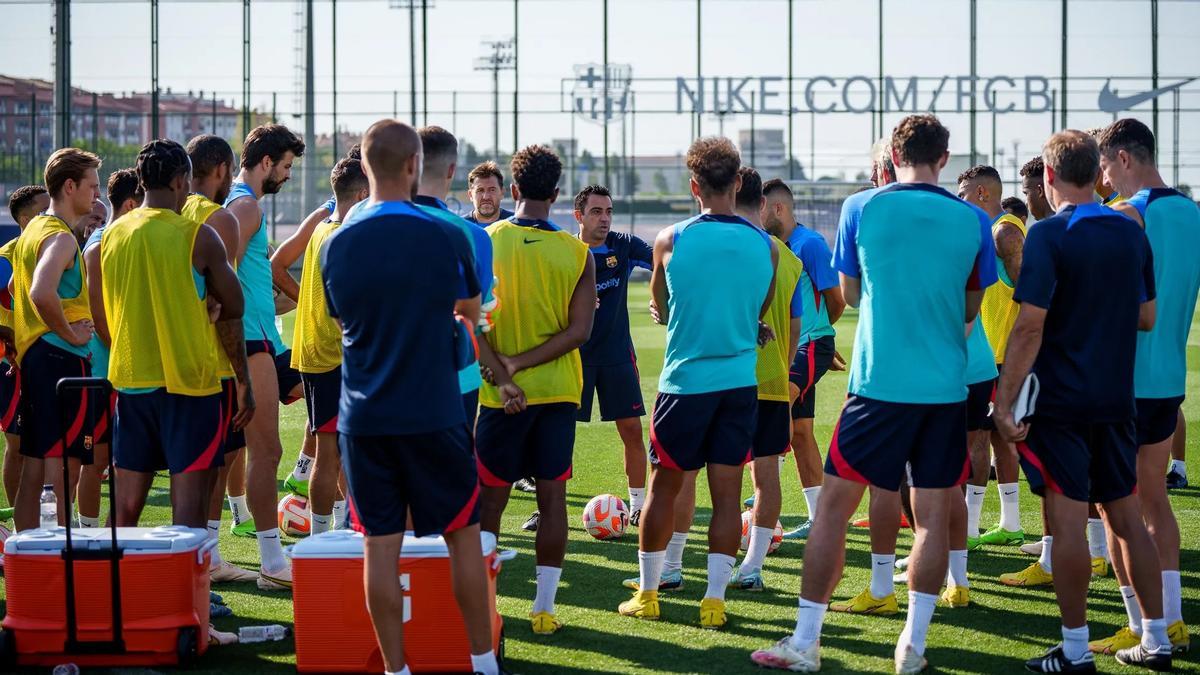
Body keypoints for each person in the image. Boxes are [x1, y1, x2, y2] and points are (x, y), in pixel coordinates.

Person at [751, 114, 996, 674]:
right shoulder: (972, 219)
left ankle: (806, 641)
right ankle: (912, 645)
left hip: (878, 387)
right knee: (935, 513)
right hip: (943, 388)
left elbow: (852, 294)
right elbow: (968, 309)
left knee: (834, 511)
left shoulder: (861, 207)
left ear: (892, 152)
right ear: (945, 154)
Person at [322, 118, 501, 675]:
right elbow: (472, 313)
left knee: (381, 546)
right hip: (434, 409)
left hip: (365, 415)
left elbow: (340, 317)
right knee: (462, 537)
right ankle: (483, 665)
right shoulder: (448, 234)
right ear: (412, 167)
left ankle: (396, 670)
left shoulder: (337, 243)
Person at [993, 129, 1171, 672]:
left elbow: (1028, 329)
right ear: (1098, 173)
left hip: (1062, 404)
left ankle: (1074, 651)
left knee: (1068, 522)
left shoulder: (1048, 235)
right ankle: (1157, 640)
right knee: (1125, 517)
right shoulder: (1129, 231)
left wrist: (1003, 403)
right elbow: (1147, 317)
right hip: (1117, 399)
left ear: (1047, 177)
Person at [618, 137, 777, 631]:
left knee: (665, 489)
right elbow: (759, 312)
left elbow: (662, 309)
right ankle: (714, 601)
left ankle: (647, 595)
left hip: (684, 384)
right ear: (736, 183)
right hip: (738, 384)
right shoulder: (765, 245)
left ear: (693, 186)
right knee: (728, 495)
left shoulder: (670, 238)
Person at [91, 139, 249, 529]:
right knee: (189, 511)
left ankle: (114, 588)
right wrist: (244, 379)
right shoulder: (198, 236)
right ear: (182, 181)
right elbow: (235, 305)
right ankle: (185, 592)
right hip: (189, 385)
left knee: (125, 508)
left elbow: (104, 316)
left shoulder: (109, 236)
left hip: (131, 381)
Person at [1088, 117, 1197, 657]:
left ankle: (1142, 625)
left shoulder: (1122, 216)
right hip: (1168, 379)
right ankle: (1170, 619)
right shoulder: (1191, 213)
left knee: (1118, 506)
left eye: (1105, 166)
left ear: (1124, 159)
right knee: (1152, 499)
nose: (1103, 178)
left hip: (1120, 381)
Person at [475, 144, 595, 636]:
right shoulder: (578, 252)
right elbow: (579, 331)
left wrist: (505, 375)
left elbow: (468, 320)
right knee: (552, 502)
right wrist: (522, 365)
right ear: (559, 194)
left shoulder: (483, 240)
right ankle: (544, 610)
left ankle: (484, 607)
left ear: (515, 190)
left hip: (499, 398)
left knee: (489, 507)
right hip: (558, 393)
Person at [224, 123, 305, 589]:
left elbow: (247, 279)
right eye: (287, 166)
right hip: (249, 342)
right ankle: (273, 564)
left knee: (238, 452)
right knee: (266, 449)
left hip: (258, 337)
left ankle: (215, 553)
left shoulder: (243, 203)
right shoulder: (245, 204)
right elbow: (221, 275)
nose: (288, 176)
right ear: (267, 161)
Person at [180, 133, 259, 583]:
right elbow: (221, 304)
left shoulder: (172, 214)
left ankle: (193, 559)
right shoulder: (218, 218)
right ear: (223, 170)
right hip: (214, 363)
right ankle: (207, 559)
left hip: (173, 358)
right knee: (213, 467)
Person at [8, 149, 98, 532]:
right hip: (61, 362)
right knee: (62, 468)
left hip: (39, 359)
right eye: (92, 186)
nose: (97, 195)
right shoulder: (60, 238)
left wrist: (27, 336)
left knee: (34, 465)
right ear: (70, 186)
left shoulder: (33, 232)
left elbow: (15, 286)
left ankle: (27, 557)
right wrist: (68, 331)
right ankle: (58, 561)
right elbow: (40, 291)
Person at [271, 143, 361, 504]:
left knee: (330, 448)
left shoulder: (324, 227)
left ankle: (333, 531)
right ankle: (343, 532)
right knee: (341, 452)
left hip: (314, 351)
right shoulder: (340, 230)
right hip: (334, 353)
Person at [730, 167, 802, 593]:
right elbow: (795, 325)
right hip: (773, 379)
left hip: (729, 377)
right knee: (767, 475)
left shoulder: (728, 245)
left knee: (718, 473)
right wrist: (782, 363)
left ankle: (678, 564)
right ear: (762, 204)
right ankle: (752, 565)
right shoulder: (787, 257)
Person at [763, 178, 845, 541]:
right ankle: (819, 518)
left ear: (777, 208)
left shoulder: (809, 244)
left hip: (809, 346)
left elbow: (836, 299)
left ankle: (763, 496)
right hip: (794, 347)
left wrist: (821, 338)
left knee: (775, 409)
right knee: (800, 432)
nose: (756, 214)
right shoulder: (770, 246)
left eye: (761, 207)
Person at [957, 165, 1027, 551]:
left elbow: (1031, 289)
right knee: (997, 440)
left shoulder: (1004, 232)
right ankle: (1010, 523)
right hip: (996, 353)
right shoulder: (992, 231)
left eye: (965, 193)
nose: (961, 200)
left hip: (1003, 355)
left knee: (982, 438)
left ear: (983, 193)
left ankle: (969, 528)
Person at [573, 184, 652, 524]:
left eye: (608, 211)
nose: (604, 219)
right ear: (579, 216)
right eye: (596, 212)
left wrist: (660, 295)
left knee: (632, 431)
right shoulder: (566, 251)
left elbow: (665, 261)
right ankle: (547, 508)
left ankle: (638, 505)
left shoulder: (624, 245)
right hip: (573, 356)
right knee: (558, 433)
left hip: (617, 355)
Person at [413, 126, 495, 432]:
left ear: (410, 164)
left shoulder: (361, 224)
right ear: (451, 170)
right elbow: (477, 311)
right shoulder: (474, 236)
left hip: (384, 377)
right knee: (449, 474)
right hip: (455, 377)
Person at [77, 168, 143, 530]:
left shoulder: (119, 239)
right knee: (97, 459)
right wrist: (123, 352)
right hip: (105, 371)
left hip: (119, 368)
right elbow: (98, 315)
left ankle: (111, 533)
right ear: (132, 203)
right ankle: (88, 534)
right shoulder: (101, 242)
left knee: (119, 460)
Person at [0, 185, 49, 518]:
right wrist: (11, 339)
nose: (51, 216)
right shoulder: (6, 257)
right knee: (17, 446)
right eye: (44, 211)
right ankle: (21, 524)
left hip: (37, 360)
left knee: (41, 446)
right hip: (10, 364)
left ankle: (31, 519)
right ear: (26, 217)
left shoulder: (45, 252)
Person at [464, 161, 515, 226]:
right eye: (480, 190)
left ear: (502, 193)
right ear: (470, 195)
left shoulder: (516, 224)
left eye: (492, 190)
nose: (486, 197)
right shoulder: (460, 228)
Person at [1021, 156, 1054, 222]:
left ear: (1040, 191)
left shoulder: (1039, 230)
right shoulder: (1077, 220)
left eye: (1026, 194)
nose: (1026, 203)